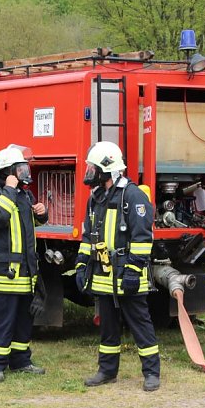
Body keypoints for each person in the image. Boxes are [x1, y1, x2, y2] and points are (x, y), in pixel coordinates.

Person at [76, 141, 160, 392]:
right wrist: (81, 265)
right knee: (108, 328)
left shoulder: (133, 196)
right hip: (104, 274)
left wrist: (133, 272)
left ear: (106, 170)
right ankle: (107, 371)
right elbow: (87, 236)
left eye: (92, 167)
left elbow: (143, 239)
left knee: (140, 325)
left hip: (128, 274)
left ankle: (152, 373)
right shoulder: (97, 198)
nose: (89, 171)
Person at [0, 144, 48, 382]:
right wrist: (9, 190)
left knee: (23, 321)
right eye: (18, 169)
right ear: (7, 172)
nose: (23, 173)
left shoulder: (25, 195)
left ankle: (21, 361)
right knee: (2, 321)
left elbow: (29, 228)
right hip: (2, 273)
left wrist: (41, 213)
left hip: (26, 274)